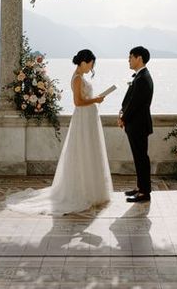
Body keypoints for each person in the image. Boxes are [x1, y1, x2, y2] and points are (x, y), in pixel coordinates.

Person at [6, 49, 113, 215]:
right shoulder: (77, 78)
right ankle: (83, 191)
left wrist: (94, 100)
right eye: (91, 64)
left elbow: (83, 99)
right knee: (82, 151)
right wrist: (96, 99)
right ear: (84, 61)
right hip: (83, 118)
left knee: (88, 151)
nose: (91, 68)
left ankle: (90, 189)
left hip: (88, 118)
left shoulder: (81, 77)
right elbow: (78, 102)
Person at [118, 46, 154, 202]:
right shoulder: (140, 76)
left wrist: (123, 118)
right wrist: (122, 113)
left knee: (141, 158)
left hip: (138, 125)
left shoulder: (143, 78)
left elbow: (135, 104)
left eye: (130, 57)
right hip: (137, 124)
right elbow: (130, 101)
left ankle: (144, 192)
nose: (128, 60)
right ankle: (141, 187)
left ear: (139, 58)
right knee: (139, 158)